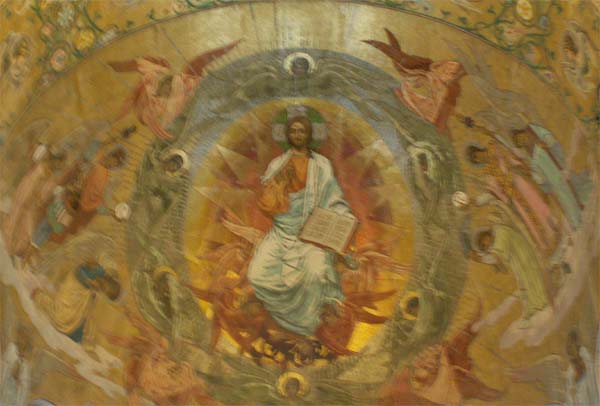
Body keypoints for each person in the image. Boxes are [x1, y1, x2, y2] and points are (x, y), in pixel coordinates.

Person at [247, 115, 355, 338]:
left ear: (309, 135)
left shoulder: (321, 165)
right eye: (293, 131)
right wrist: (279, 186)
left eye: (302, 131)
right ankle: (282, 317)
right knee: (256, 275)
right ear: (287, 135)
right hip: (281, 234)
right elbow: (267, 204)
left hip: (311, 235)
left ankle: (308, 326)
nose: (298, 135)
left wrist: (343, 221)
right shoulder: (277, 165)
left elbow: (334, 199)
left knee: (315, 273)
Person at [466, 142, 559, 254]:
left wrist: (520, 167)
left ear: (477, 149)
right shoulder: (488, 173)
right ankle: (546, 242)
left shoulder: (494, 148)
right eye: (475, 160)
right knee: (528, 218)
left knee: (537, 204)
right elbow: (495, 191)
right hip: (513, 195)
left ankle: (554, 228)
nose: (478, 159)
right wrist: (476, 201)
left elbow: (511, 158)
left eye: (475, 156)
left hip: (519, 182)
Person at [471, 226, 549, 321]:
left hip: (524, 257)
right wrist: (497, 264)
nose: (487, 246)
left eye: (484, 243)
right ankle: (533, 306)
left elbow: (497, 257)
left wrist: (481, 259)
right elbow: (501, 263)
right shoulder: (496, 239)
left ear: (485, 235)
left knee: (531, 278)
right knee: (524, 282)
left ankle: (541, 301)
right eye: (484, 247)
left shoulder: (500, 233)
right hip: (518, 261)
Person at [32, 261, 120, 344]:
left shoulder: (100, 281)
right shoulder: (97, 271)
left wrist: (91, 290)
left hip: (79, 297)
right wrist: (88, 283)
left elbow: (91, 298)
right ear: (108, 285)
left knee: (78, 330)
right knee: (61, 317)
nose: (103, 293)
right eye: (106, 293)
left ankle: (75, 330)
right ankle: (41, 297)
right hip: (72, 291)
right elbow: (80, 272)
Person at [565, 330, 599, 405]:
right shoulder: (570, 372)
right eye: (568, 346)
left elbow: (594, 395)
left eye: (571, 345)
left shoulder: (588, 366)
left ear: (577, 345)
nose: (568, 349)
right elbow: (568, 401)